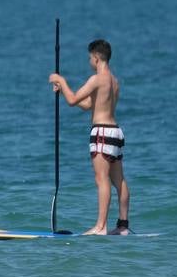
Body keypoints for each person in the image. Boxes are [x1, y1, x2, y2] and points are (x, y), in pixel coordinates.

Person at [49, 38, 131, 236]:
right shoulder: (114, 82)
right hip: (116, 132)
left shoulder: (96, 79)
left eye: (89, 58)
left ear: (96, 58)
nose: (89, 62)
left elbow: (72, 100)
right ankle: (123, 225)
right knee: (119, 181)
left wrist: (61, 81)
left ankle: (101, 226)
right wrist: (63, 93)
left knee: (101, 179)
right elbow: (88, 105)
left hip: (102, 133)